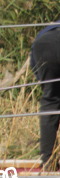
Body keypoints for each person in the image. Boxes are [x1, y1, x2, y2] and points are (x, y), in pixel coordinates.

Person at [30, 23, 60, 170]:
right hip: (45, 42)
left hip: (43, 43)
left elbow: (36, 70)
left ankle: (48, 161)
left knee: (50, 100)